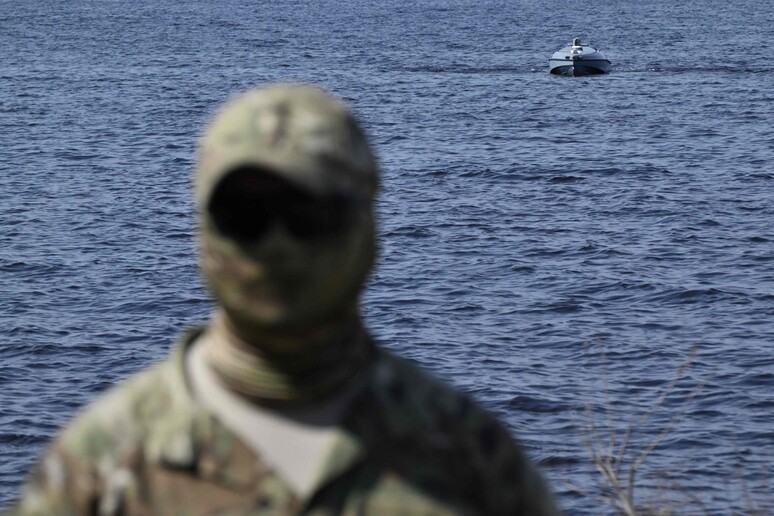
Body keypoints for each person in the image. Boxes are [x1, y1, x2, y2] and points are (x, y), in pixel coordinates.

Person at [10, 84, 558, 515]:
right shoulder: (99, 468)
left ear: (366, 233)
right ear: (202, 236)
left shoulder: (469, 461)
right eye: (246, 219)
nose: (277, 248)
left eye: (309, 217)